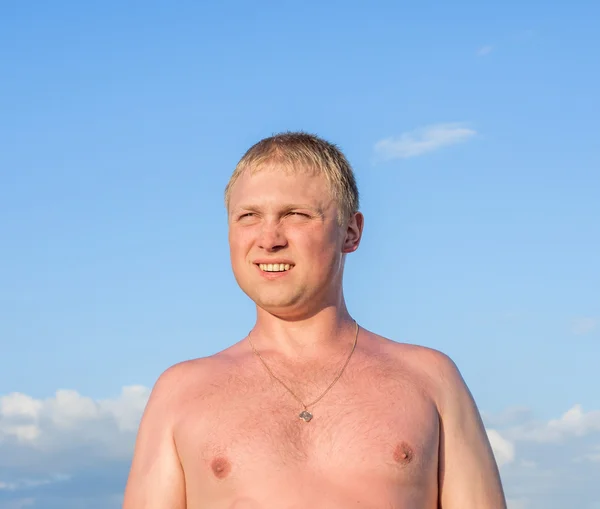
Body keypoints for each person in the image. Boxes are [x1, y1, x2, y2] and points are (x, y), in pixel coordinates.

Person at [122, 132, 507, 509]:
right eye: (249, 216)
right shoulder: (182, 392)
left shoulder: (430, 380)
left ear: (351, 232)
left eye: (296, 215)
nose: (268, 238)